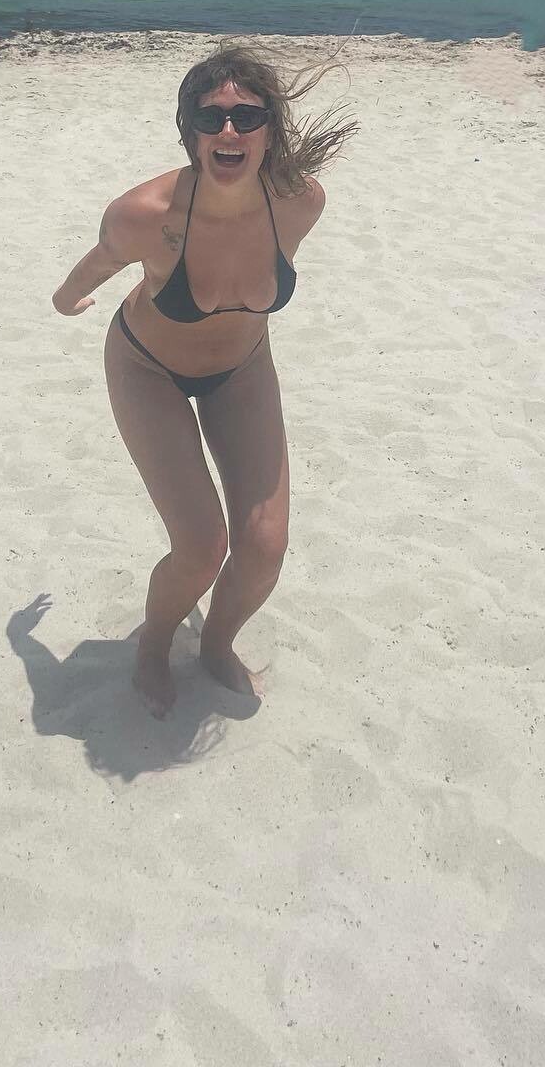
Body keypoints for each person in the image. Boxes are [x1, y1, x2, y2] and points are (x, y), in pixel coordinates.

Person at [52, 43, 358, 717]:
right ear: (187, 128)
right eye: (209, 116)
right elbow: (100, 261)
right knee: (200, 547)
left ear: (269, 129)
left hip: (242, 370)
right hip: (148, 369)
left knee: (265, 546)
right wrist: (66, 299)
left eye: (247, 117)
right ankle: (154, 644)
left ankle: (217, 643)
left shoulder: (299, 203)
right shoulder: (144, 215)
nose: (228, 131)